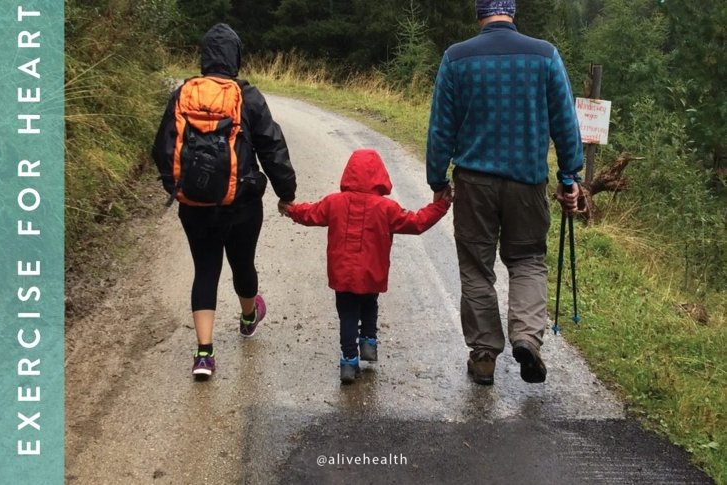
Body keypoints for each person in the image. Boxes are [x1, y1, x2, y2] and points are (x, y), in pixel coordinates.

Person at [425, 0, 582, 386]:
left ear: (479, 14)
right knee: (527, 259)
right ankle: (526, 337)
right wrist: (569, 177)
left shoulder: (456, 58)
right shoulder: (545, 55)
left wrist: (438, 181)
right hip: (527, 181)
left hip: (474, 183)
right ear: (512, 12)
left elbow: (441, 128)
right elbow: (565, 122)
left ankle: (483, 356)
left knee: (476, 267)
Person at [152, 23, 296, 379]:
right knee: (242, 264)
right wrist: (286, 193)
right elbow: (272, 146)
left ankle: (204, 354)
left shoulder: (183, 94)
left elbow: (162, 149)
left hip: (194, 205)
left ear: (204, 57)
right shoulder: (247, 96)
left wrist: (179, 188)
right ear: (236, 57)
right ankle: (248, 317)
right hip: (241, 204)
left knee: (205, 269)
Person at [282, 149, 450, 384]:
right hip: (372, 273)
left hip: (342, 274)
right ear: (380, 176)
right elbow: (416, 222)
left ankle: (349, 361)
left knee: (347, 314)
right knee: (370, 304)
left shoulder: (334, 202)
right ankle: (369, 342)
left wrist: (291, 209)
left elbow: (310, 213)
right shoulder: (387, 208)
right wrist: (441, 206)